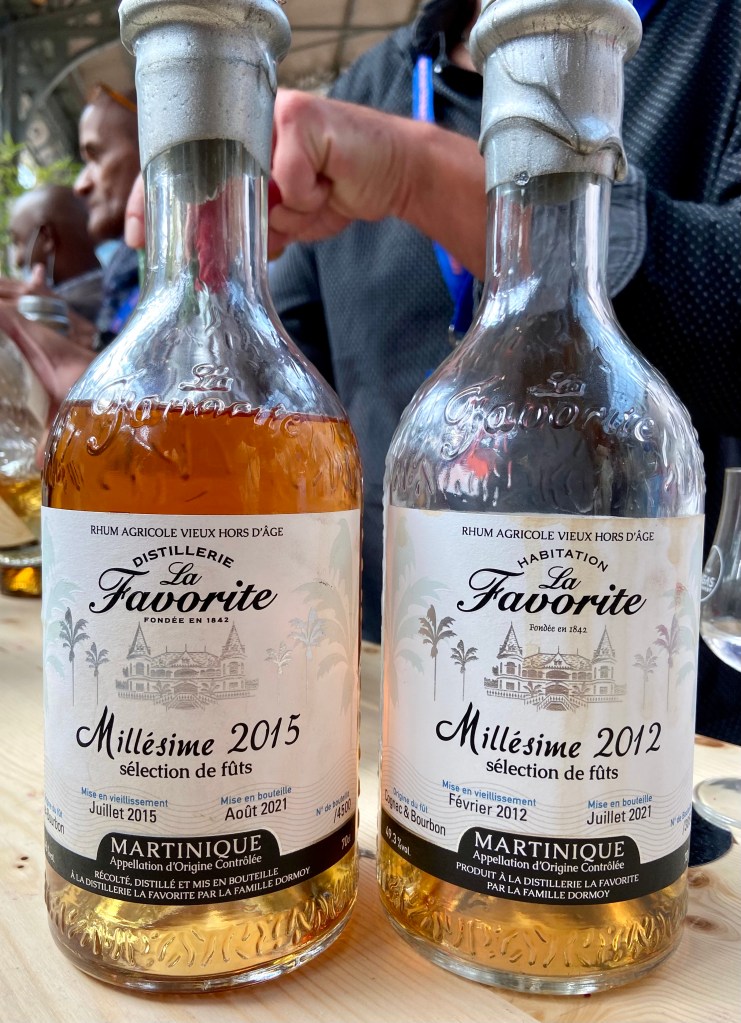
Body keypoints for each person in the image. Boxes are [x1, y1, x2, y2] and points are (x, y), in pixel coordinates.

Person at [0, 184, 103, 323]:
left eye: (18, 242)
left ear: (47, 237)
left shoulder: (68, 316)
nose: (17, 260)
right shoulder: (121, 294)